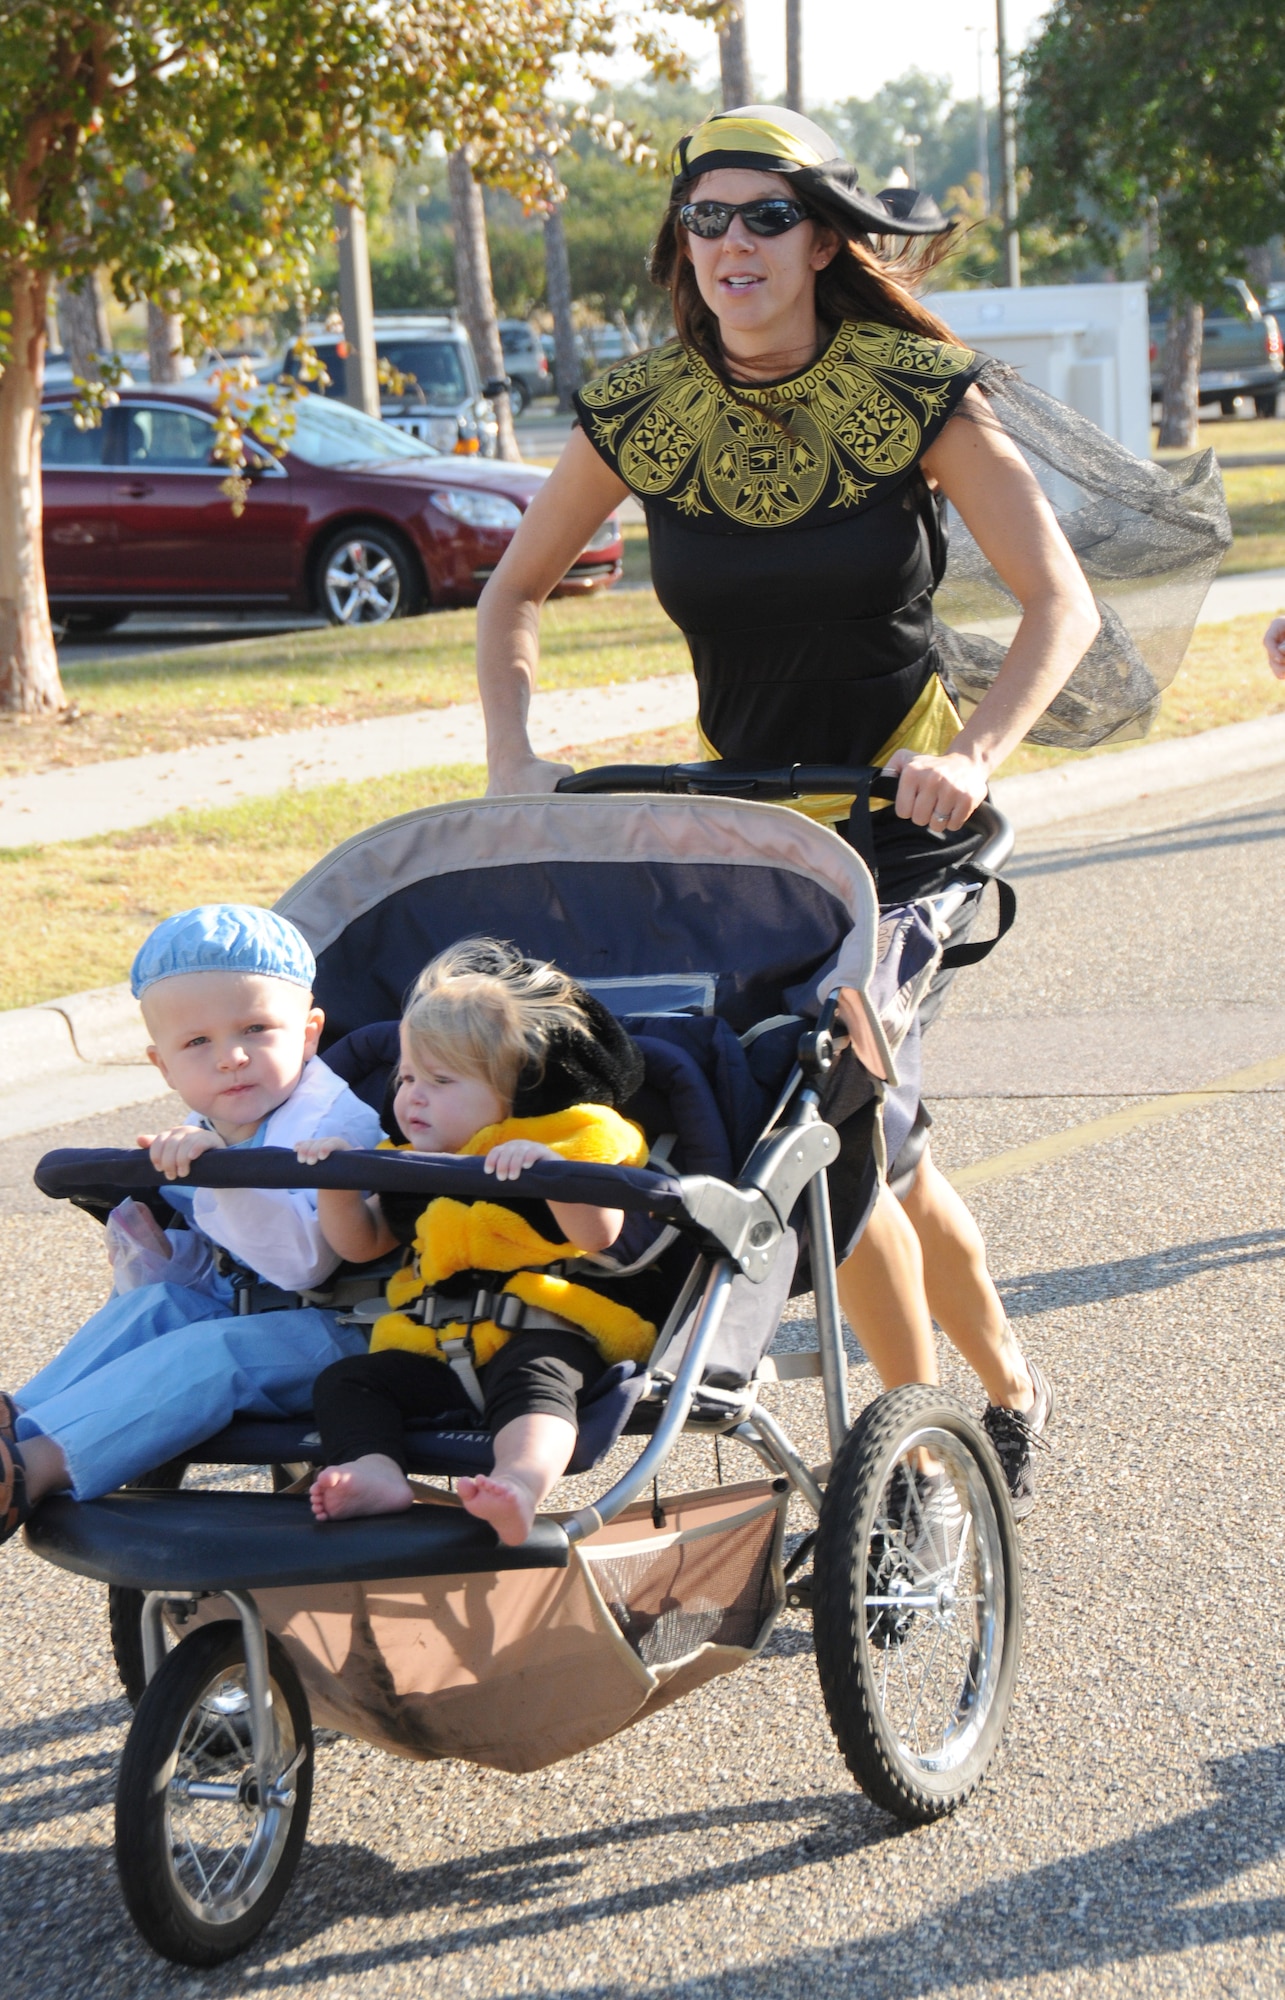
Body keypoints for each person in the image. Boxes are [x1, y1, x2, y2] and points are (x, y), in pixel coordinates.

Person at [475, 107, 1104, 1517]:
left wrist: (982, 755)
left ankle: (910, 1460)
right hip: (744, 829)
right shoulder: (642, 408)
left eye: (766, 217)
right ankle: (1002, 1380)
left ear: (823, 239)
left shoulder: (916, 389)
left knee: (838, 1148)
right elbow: (513, 591)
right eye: (708, 220)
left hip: (899, 816)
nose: (733, 246)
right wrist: (516, 755)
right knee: (886, 1149)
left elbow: (1059, 606)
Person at [0, 905, 383, 1544]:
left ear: (309, 1033)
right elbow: (226, 1260)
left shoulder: (337, 1128)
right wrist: (169, 1244)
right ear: (164, 1066)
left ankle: (30, 1470)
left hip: (351, 1329)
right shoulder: (218, 1127)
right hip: (257, 1308)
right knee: (155, 1308)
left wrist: (215, 1176)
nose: (231, 1057)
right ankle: (20, 1419)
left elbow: (305, 1262)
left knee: (209, 1353)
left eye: (257, 1028)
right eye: (198, 1042)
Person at [302, 940, 658, 1546]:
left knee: (538, 1386)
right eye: (408, 1076)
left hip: (544, 1329)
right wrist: (337, 1183)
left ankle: (518, 1484)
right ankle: (376, 1471)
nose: (412, 1094)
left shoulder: (566, 1140)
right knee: (348, 1383)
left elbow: (598, 1234)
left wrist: (552, 1171)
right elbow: (363, 1245)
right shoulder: (413, 1164)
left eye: (441, 1080)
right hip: (432, 1341)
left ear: (517, 1091)